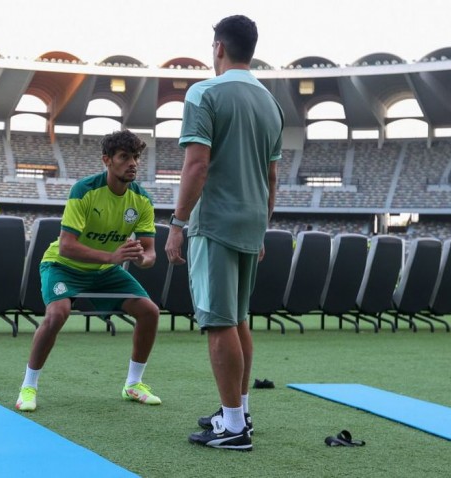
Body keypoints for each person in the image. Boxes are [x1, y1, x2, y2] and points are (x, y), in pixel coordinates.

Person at [165, 15, 283, 451]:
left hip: (215, 221)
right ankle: (240, 410)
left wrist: (177, 223)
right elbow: (272, 177)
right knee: (237, 319)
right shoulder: (271, 103)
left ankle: (233, 427)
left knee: (218, 321)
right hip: (252, 220)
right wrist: (262, 226)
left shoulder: (204, 92)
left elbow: (197, 164)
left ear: (218, 47)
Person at [15, 130, 162, 412]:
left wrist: (143, 259)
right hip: (63, 265)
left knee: (149, 312)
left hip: (105, 268)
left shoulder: (142, 199)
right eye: (124, 157)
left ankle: (133, 384)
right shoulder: (84, 190)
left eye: (136, 157)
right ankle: (28, 386)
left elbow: (150, 251)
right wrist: (113, 256)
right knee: (58, 314)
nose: (132, 163)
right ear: (107, 160)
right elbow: (68, 246)